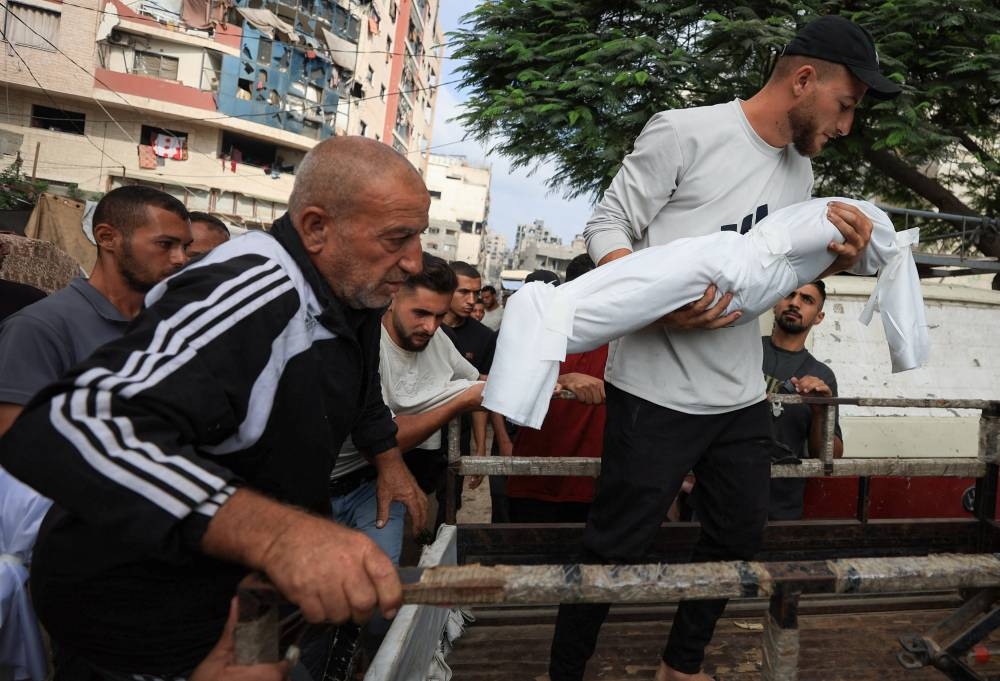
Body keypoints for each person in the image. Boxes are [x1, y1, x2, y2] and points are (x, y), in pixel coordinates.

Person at [546, 15, 899, 681]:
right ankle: (564, 671)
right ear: (802, 79)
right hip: (654, 387)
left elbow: (769, 280)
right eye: (846, 106)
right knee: (615, 545)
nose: (846, 127)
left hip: (740, 391)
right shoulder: (686, 131)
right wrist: (651, 294)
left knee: (738, 535)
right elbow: (608, 222)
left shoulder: (799, 175)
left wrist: (836, 266)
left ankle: (679, 666)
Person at [0, 136, 428, 677]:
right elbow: (72, 425)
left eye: (418, 235)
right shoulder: (255, 287)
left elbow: (322, 434)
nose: (413, 261)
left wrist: (387, 461)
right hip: (144, 629)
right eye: (397, 238)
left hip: (247, 605)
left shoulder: (352, 295)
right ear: (317, 228)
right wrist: (282, 535)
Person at [0, 185, 192, 437]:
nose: (181, 259)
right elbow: (16, 446)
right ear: (106, 237)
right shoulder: (39, 327)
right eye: (165, 244)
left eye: (185, 247)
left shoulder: (172, 326)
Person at [506, 255, 604, 524]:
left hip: (595, 486)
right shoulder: (536, 330)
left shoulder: (627, 338)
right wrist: (561, 378)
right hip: (533, 479)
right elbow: (503, 387)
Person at [764, 281, 843, 521]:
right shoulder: (743, 351)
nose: (795, 303)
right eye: (789, 294)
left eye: (807, 300)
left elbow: (831, 455)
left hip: (779, 509)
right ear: (775, 303)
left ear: (819, 317)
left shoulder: (822, 376)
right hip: (720, 497)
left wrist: (821, 412)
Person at [441, 261, 513, 524]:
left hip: (456, 438)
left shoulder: (484, 337)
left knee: (448, 508)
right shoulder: (427, 330)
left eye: (476, 293)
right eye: (464, 292)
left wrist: (480, 449)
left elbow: (483, 395)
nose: (472, 300)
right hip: (416, 436)